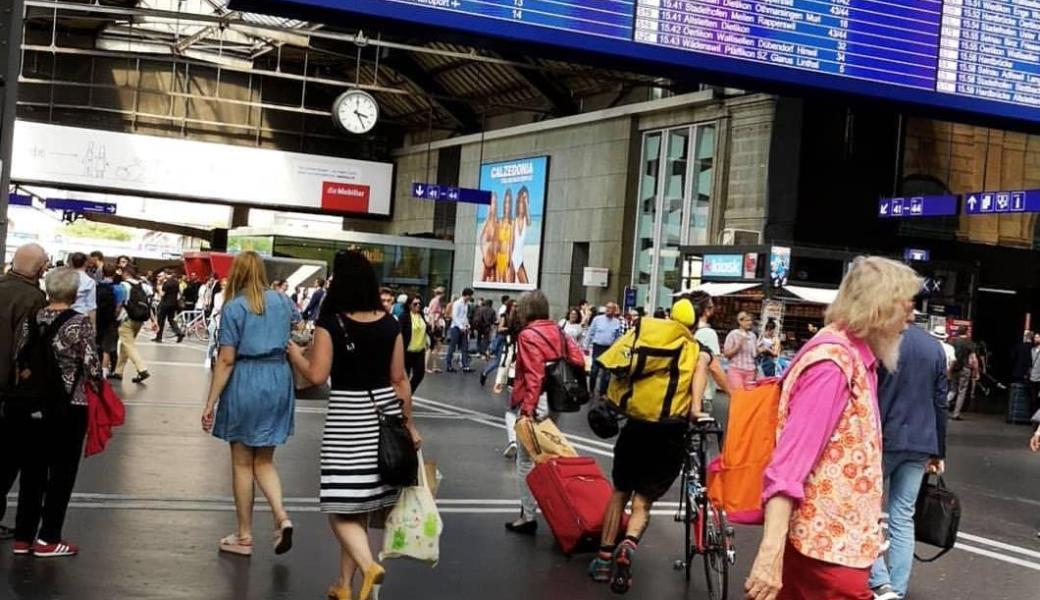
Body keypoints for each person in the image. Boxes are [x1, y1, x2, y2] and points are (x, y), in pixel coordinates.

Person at [745, 256, 922, 600]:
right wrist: (769, 556)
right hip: (823, 557)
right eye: (907, 306)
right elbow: (787, 468)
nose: (911, 317)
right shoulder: (832, 365)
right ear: (880, 307)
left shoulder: (854, 359)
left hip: (835, 549)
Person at [287, 250, 421, 600]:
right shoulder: (391, 323)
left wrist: (293, 354)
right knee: (358, 506)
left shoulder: (331, 324)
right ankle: (344, 586)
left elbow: (317, 375)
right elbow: (399, 380)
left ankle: (368, 565)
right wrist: (409, 424)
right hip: (382, 419)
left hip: (348, 418)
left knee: (338, 505)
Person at [588, 298, 716, 594]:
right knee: (643, 500)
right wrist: (696, 410)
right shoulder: (695, 350)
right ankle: (629, 546)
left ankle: (604, 558)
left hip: (636, 426)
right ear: (695, 322)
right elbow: (699, 386)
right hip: (670, 431)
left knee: (620, 491)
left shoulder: (646, 334)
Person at [201, 251, 298, 557]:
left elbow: (226, 359)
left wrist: (210, 402)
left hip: (247, 378)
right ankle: (281, 517)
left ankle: (244, 536)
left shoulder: (235, 306)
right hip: (279, 378)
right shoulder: (283, 301)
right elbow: (297, 332)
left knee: (243, 461)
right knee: (264, 460)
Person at [11, 267, 102, 557]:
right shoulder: (79, 323)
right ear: (75, 293)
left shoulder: (32, 319)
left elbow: (20, 355)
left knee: (32, 471)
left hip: (31, 405)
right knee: (61, 473)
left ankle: (23, 537)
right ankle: (49, 538)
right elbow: (93, 367)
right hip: (68, 406)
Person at [869, 323, 949, 600]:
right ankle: (897, 590)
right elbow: (941, 402)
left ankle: (880, 581)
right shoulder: (933, 346)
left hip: (883, 438)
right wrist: (939, 451)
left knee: (865, 509)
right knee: (903, 516)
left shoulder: (882, 339)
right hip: (922, 441)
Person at [508, 290, 585, 534]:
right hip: (556, 400)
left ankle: (528, 515)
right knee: (552, 456)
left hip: (537, 399)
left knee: (526, 460)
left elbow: (534, 374)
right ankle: (562, 512)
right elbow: (579, 359)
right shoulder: (558, 330)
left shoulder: (528, 334)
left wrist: (526, 411)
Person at [0, 243, 48, 540]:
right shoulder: (33, 299)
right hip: (8, 392)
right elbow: (25, 349)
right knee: (5, 459)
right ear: (42, 268)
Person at [690, 291, 730, 414]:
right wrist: (730, 392)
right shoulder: (708, 333)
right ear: (707, 310)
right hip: (703, 394)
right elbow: (714, 367)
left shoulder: (684, 329)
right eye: (711, 306)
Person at [492, 303, 522, 458]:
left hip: (515, 373)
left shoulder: (511, 340)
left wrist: (499, 380)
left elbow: (506, 358)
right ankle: (522, 442)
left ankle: (514, 441)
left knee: (512, 409)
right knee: (526, 411)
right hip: (532, 376)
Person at [113, 266, 151, 384]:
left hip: (127, 318)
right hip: (140, 318)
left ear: (125, 274)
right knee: (126, 345)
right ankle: (118, 371)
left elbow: (120, 303)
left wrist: (115, 316)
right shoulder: (144, 286)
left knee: (129, 345)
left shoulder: (124, 285)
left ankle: (142, 369)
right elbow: (150, 299)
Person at [585, 302, 623, 398]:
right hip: (598, 347)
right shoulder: (597, 319)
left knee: (606, 372)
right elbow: (590, 333)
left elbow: (618, 337)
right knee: (594, 370)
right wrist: (586, 346)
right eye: (607, 308)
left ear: (614, 310)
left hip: (609, 348)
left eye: (611, 308)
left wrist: (616, 348)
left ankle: (603, 392)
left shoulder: (617, 322)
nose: (608, 310)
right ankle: (591, 390)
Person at [95, 264, 125, 378]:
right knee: (107, 348)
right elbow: (119, 306)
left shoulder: (96, 286)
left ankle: (94, 369)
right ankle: (104, 372)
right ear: (114, 273)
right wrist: (114, 317)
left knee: (97, 344)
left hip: (98, 319)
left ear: (102, 272)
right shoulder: (119, 288)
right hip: (111, 321)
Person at [482, 300, 516, 387]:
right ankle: (485, 373)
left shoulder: (516, 317)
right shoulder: (504, 316)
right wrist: (508, 328)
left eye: (517, 306)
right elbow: (500, 329)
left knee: (510, 361)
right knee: (499, 361)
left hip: (511, 340)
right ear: (510, 306)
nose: (516, 308)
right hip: (503, 339)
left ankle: (507, 380)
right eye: (514, 306)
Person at [401, 295, 429, 393]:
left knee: (419, 374)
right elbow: (399, 334)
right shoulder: (404, 316)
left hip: (420, 351)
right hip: (407, 351)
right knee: (405, 377)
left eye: (419, 303)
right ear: (409, 305)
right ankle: (403, 397)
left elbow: (426, 329)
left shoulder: (421, 315)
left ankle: (408, 393)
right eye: (415, 304)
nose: (418, 305)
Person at [724, 311, 758, 392]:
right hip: (736, 369)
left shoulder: (753, 336)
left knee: (748, 397)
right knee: (738, 394)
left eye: (751, 320)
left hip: (750, 370)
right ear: (740, 321)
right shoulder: (733, 334)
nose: (750, 323)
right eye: (747, 320)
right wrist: (737, 347)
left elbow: (754, 354)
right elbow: (726, 353)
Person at [446, 288, 474, 373]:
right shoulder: (457, 303)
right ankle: (449, 365)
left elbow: (464, 317)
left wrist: (467, 325)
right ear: (466, 295)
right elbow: (455, 316)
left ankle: (465, 366)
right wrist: (461, 326)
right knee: (452, 346)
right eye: (469, 296)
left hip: (463, 328)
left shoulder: (466, 304)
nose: (470, 298)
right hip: (456, 327)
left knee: (465, 347)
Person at [153, 270, 184, 343]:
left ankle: (159, 337)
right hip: (173, 304)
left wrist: (158, 286)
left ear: (166, 274)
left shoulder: (166, 283)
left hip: (165, 303)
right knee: (171, 319)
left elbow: (162, 294)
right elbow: (179, 293)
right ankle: (178, 332)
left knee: (161, 320)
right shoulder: (176, 282)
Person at [950, 338, 978, 420]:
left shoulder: (953, 342)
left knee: (953, 390)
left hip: (955, 368)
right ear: (967, 332)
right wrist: (975, 372)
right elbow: (974, 359)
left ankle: (942, 405)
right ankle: (956, 414)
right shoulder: (969, 343)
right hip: (965, 368)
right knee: (961, 392)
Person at [68, 252, 97, 327]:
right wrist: (93, 326)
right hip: (81, 315)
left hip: (65, 314)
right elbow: (91, 306)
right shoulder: (89, 281)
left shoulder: (65, 278)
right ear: (85, 263)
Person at [425, 287, 447, 374]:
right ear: (442, 294)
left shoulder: (434, 300)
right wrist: (434, 326)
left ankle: (434, 366)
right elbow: (432, 314)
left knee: (434, 347)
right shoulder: (436, 301)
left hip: (434, 325)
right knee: (431, 347)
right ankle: (427, 366)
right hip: (434, 326)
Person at [513, 186, 531, 284]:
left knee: (526, 284)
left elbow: (529, 221)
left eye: (523, 202)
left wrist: (525, 201)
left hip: (519, 258)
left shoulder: (525, 220)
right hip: (512, 258)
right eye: (520, 202)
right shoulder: (514, 221)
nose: (522, 205)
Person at [480, 192, 499, 282]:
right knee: (483, 278)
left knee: (494, 280)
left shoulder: (497, 222)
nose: (493, 206)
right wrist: (483, 252)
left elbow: (498, 241)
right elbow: (480, 239)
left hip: (494, 257)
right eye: (492, 203)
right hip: (487, 257)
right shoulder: (486, 222)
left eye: (495, 203)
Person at [497, 190, 515, 283]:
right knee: (498, 280)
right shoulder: (499, 222)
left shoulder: (512, 223)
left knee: (506, 280)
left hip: (507, 256)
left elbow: (511, 244)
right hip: (498, 256)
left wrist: (510, 258)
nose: (507, 205)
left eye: (509, 202)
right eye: (505, 202)